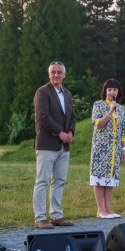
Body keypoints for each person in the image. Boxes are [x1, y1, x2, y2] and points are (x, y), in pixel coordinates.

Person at [33, 61, 76, 229]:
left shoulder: (67, 94)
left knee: (59, 181)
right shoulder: (42, 92)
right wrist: (60, 132)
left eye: (59, 72)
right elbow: (43, 116)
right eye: (53, 72)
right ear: (49, 74)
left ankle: (56, 216)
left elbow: (72, 115)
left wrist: (71, 131)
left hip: (64, 146)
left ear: (64, 75)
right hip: (46, 144)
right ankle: (40, 218)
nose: (56, 75)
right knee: (42, 181)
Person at [90, 79, 125, 219]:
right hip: (101, 149)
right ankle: (100, 210)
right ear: (105, 91)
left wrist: (124, 149)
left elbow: (123, 130)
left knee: (110, 179)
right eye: (109, 89)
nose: (112, 92)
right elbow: (97, 125)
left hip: (114, 150)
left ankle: (108, 209)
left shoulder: (121, 108)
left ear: (118, 92)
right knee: (100, 179)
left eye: (115, 89)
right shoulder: (98, 105)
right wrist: (110, 111)